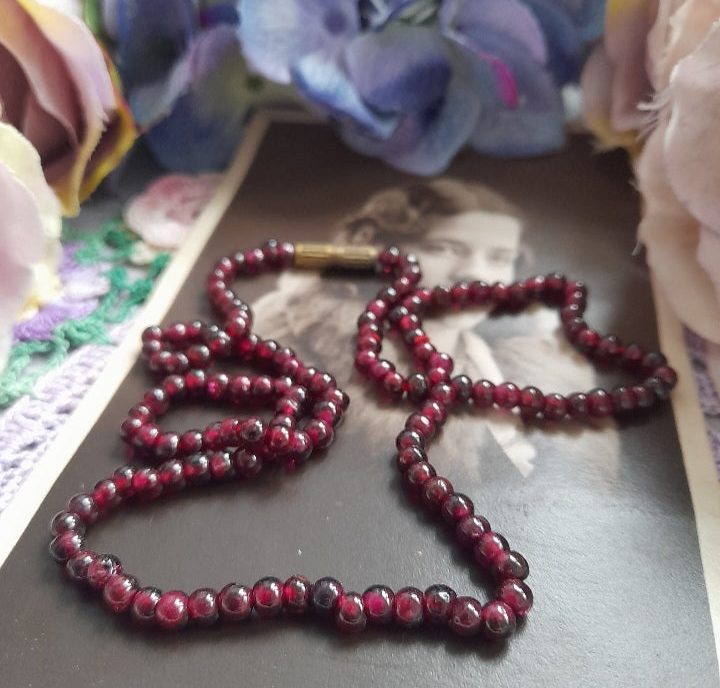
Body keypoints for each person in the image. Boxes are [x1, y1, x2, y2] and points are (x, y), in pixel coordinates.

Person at [252, 178, 619, 481]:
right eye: (444, 249)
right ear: (383, 254)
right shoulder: (287, 343)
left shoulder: (547, 368)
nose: (474, 273)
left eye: (499, 258)